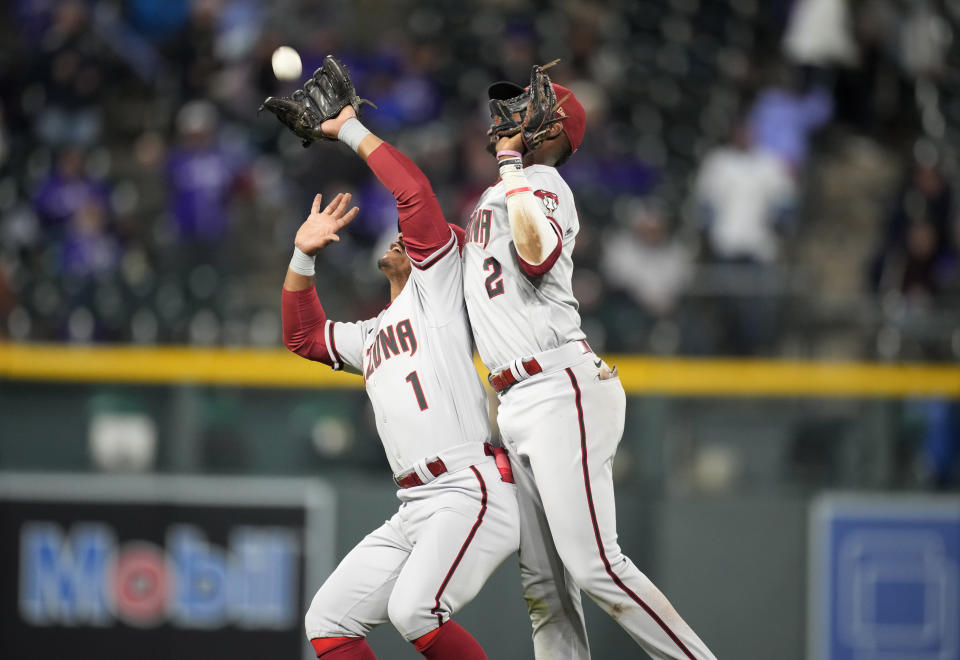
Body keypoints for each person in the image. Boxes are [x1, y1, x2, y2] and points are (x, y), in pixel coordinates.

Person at [460, 68, 716, 659]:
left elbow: (535, 253)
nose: (512, 116)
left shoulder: (543, 181)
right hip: (516, 398)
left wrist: (510, 166)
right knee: (545, 586)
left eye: (528, 110)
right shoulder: (498, 193)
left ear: (556, 131)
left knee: (595, 564)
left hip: (558, 387)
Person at [278, 68, 520, 659]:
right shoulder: (371, 334)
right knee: (330, 620)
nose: (401, 241)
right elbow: (304, 337)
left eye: (416, 241)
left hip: (468, 486)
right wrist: (301, 256)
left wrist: (351, 129)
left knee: (415, 609)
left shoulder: (439, 288)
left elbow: (412, 193)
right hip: (414, 504)